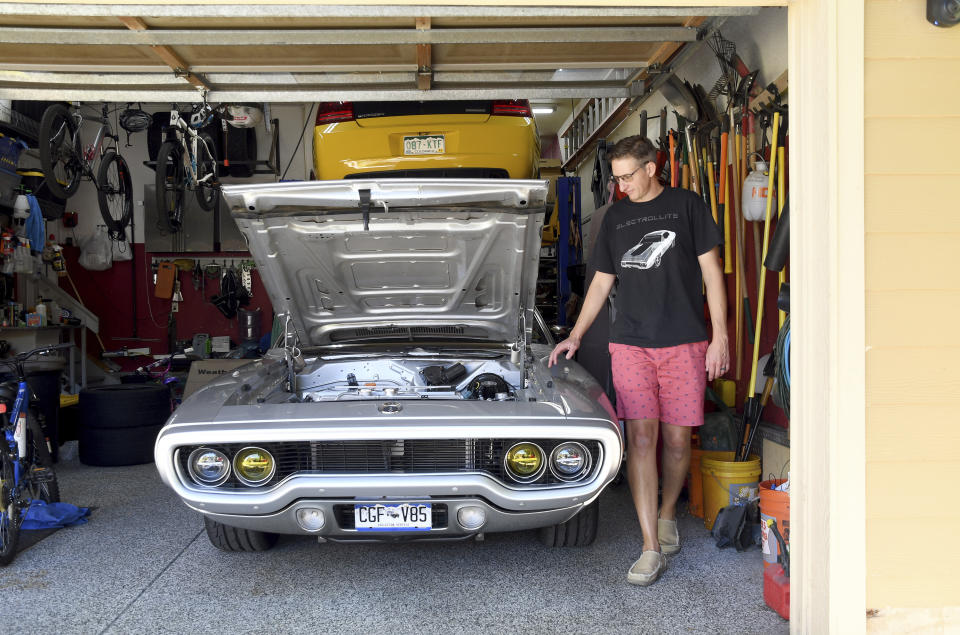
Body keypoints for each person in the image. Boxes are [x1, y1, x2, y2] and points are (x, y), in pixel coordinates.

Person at [548, 135, 728, 586]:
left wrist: (720, 337)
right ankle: (649, 546)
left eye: (629, 175)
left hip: (685, 342)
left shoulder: (688, 206)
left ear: (653, 167)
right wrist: (575, 335)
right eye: (617, 178)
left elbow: (712, 272)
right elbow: (600, 283)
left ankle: (668, 513)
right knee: (640, 439)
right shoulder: (614, 219)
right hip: (629, 344)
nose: (622, 185)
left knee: (677, 441)